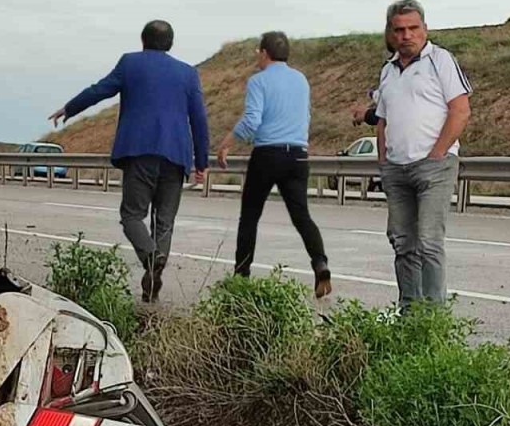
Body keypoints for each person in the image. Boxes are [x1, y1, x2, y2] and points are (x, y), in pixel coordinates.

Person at [48, 19, 209, 303]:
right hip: (175, 154)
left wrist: (69, 107)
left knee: (132, 215)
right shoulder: (187, 73)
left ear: (143, 40)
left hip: (140, 152)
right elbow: (199, 118)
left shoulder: (130, 64)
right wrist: (202, 162)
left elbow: (100, 90)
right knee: (165, 222)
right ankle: (153, 276)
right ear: (170, 43)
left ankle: (150, 257)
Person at [217, 31, 332, 298]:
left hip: (268, 154)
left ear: (264, 53)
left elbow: (252, 120)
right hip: (298, 155)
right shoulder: (301, 80)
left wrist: (227, 142)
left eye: (258, 53)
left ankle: (241, 278)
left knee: (250, 216)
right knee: (301, 215)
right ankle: (320, 263)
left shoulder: (258, 81)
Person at [375, 0, 471, 308]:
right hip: (397, 169)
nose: (407, 35)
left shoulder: (440, 60)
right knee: (403, 244)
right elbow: (382, 120)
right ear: (391, 33)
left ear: (424, 29)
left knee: (429, 242)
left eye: (413, 28)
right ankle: (410, 314)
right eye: (400, 29)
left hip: (433, 166)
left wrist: (437, 153)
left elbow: (460, 110)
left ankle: (434, 318)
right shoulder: (387, 71)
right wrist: (383, 162)